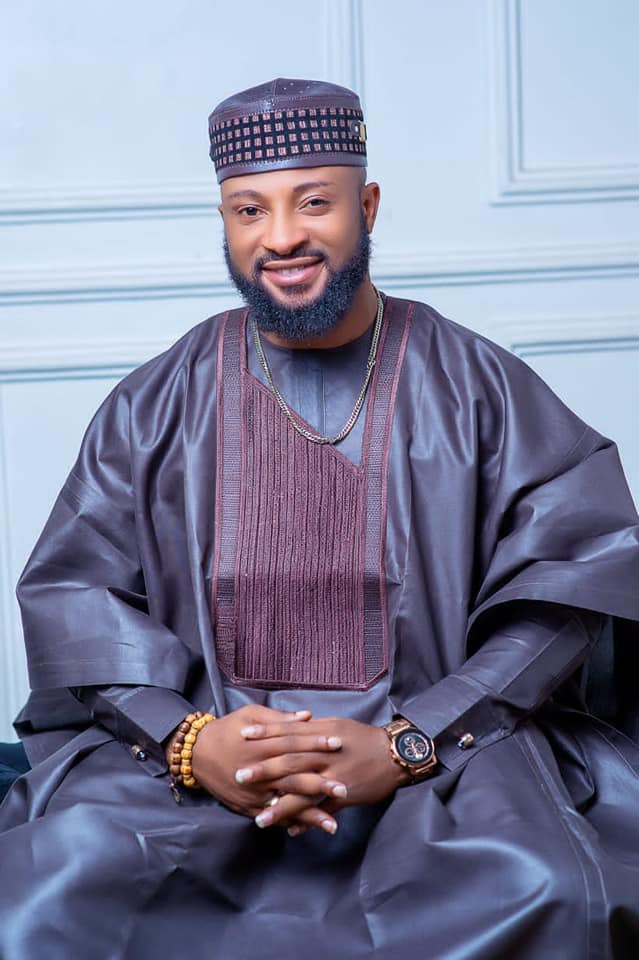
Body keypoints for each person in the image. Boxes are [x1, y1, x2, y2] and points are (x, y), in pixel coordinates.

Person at [0, 77, 638, 960]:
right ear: (224, 223)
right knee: (44, 898)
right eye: (248, 211)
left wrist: (412, 742)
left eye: (312, 202)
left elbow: (567, 590)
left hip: (442, 766)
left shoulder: (480, 386)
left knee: (546, 891)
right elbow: (77, 598)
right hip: (201, 766)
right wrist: (189, 743)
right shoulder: (154, 402)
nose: (281, 237)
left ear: (365, 207)